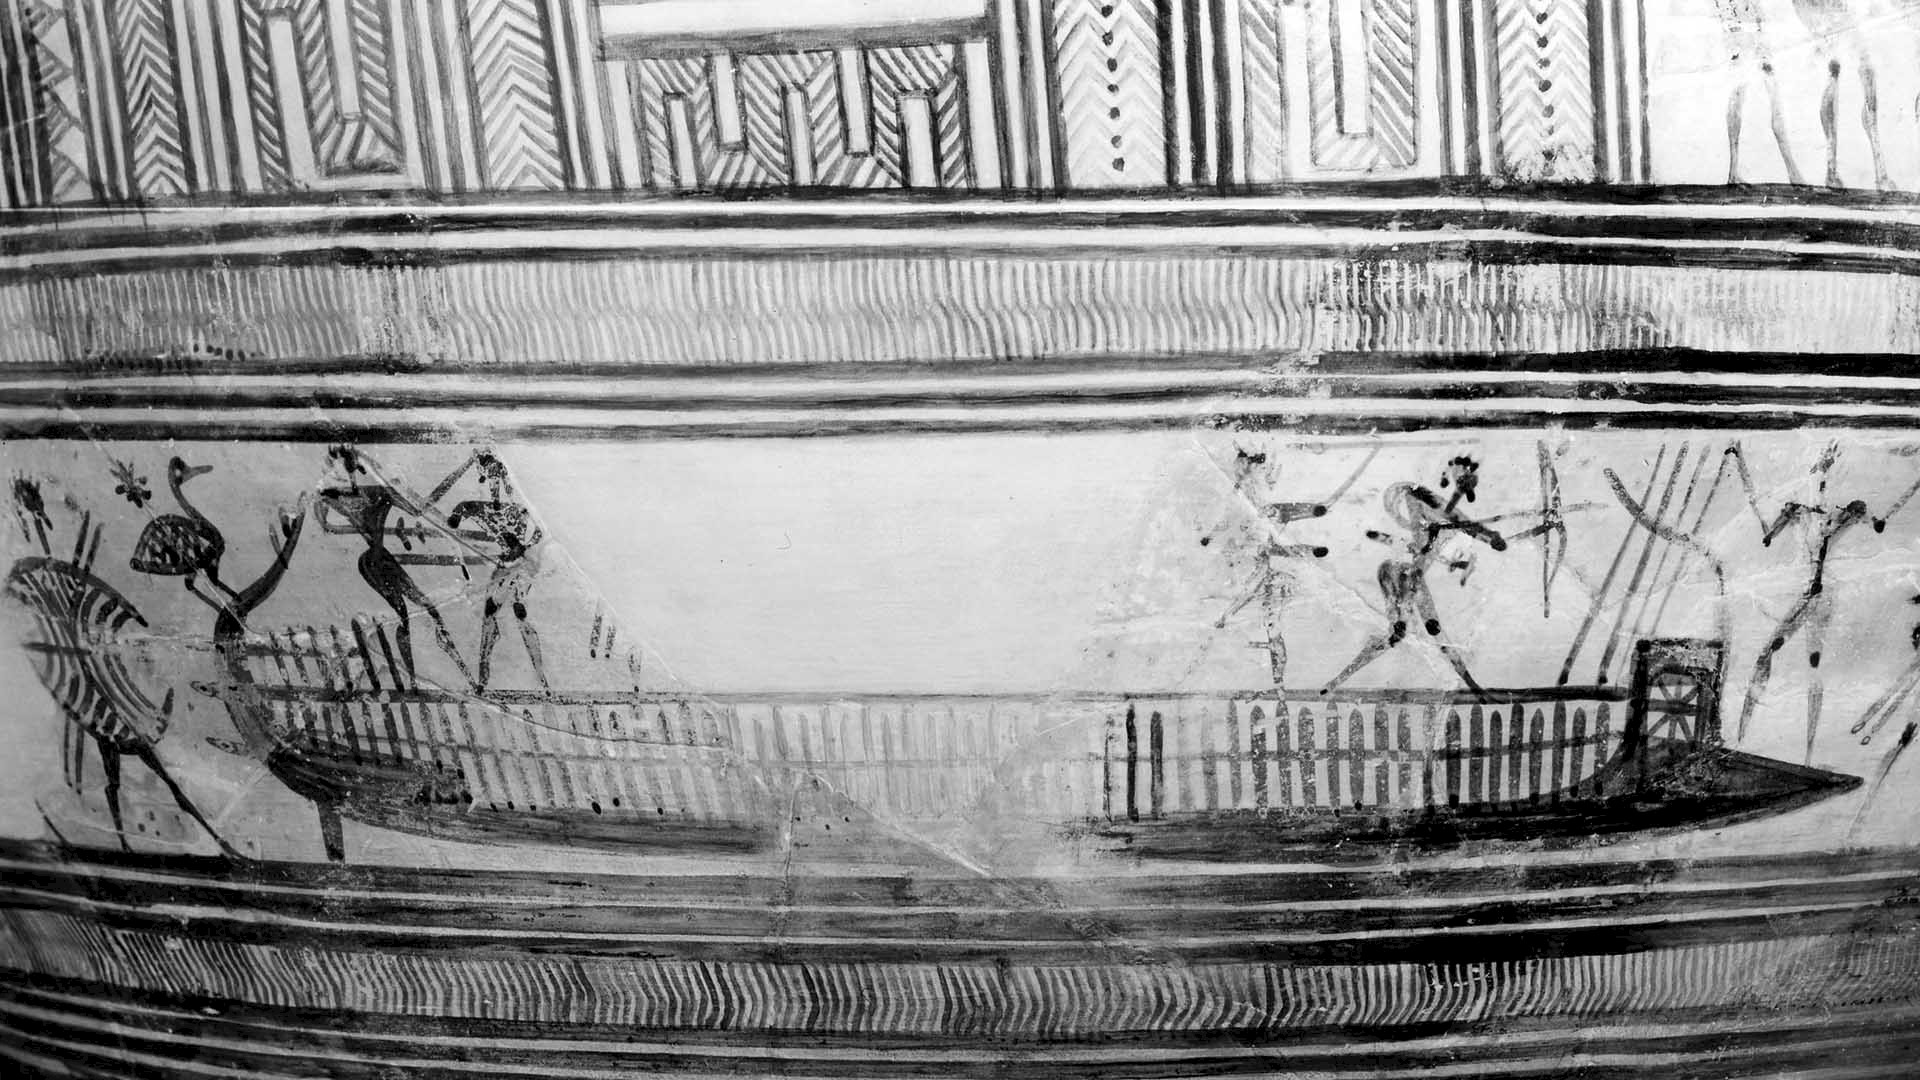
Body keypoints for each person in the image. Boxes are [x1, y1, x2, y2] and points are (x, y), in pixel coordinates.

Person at [1323, 456, 1508, 696]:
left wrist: (1487, 540)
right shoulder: (1421, 515)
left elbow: (1451, 532)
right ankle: (1344, 675)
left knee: (1426, 629)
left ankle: (1471, 684)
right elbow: (1409, 524)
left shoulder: (1438, 536)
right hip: (1399, 572)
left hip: (1410, 573)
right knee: (1406, 628)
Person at [317, 446, 471, 685]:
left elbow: (324, 516)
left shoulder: (368, 495)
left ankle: (453, 669)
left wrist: (464, 468)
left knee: (429, 609)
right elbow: (421, 507)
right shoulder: (368, 494)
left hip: (379, 559)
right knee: (405, 615)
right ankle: (412, 680)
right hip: (372, 564)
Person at [1210, 449, 1328, 688]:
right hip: (1265, 541)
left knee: (1271, 524)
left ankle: (1310, 520)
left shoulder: (1253, 569)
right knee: (1276, 530)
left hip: (1259, 535)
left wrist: (1225, 616)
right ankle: (1310, 526)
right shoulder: (1262, 571)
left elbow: (1245, 592)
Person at [446, 452, 551, 694]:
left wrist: (523, 547)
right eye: (488, 475)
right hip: (505, 568)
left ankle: (541, 676)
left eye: (496, 476)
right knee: (490, 612)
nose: (493, 486)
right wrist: (455, 518)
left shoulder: (518, 510)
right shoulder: (487, 510)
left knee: (520, 614)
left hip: (522, 567)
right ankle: (484, 675)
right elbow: (463, 507)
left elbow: (539, 533)